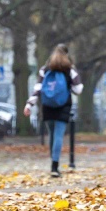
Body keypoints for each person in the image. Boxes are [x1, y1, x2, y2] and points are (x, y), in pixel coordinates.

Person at [23, 44, 83, 178]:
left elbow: (38, 88)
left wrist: (29, 105)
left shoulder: (45, 69)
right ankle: (54, 166)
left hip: (47, 104)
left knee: (51, 134)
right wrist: (69, 89)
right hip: (63, 105)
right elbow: (78, 89)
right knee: (59, 135)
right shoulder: (69, 69)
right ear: (66, 55)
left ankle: (53, 161)